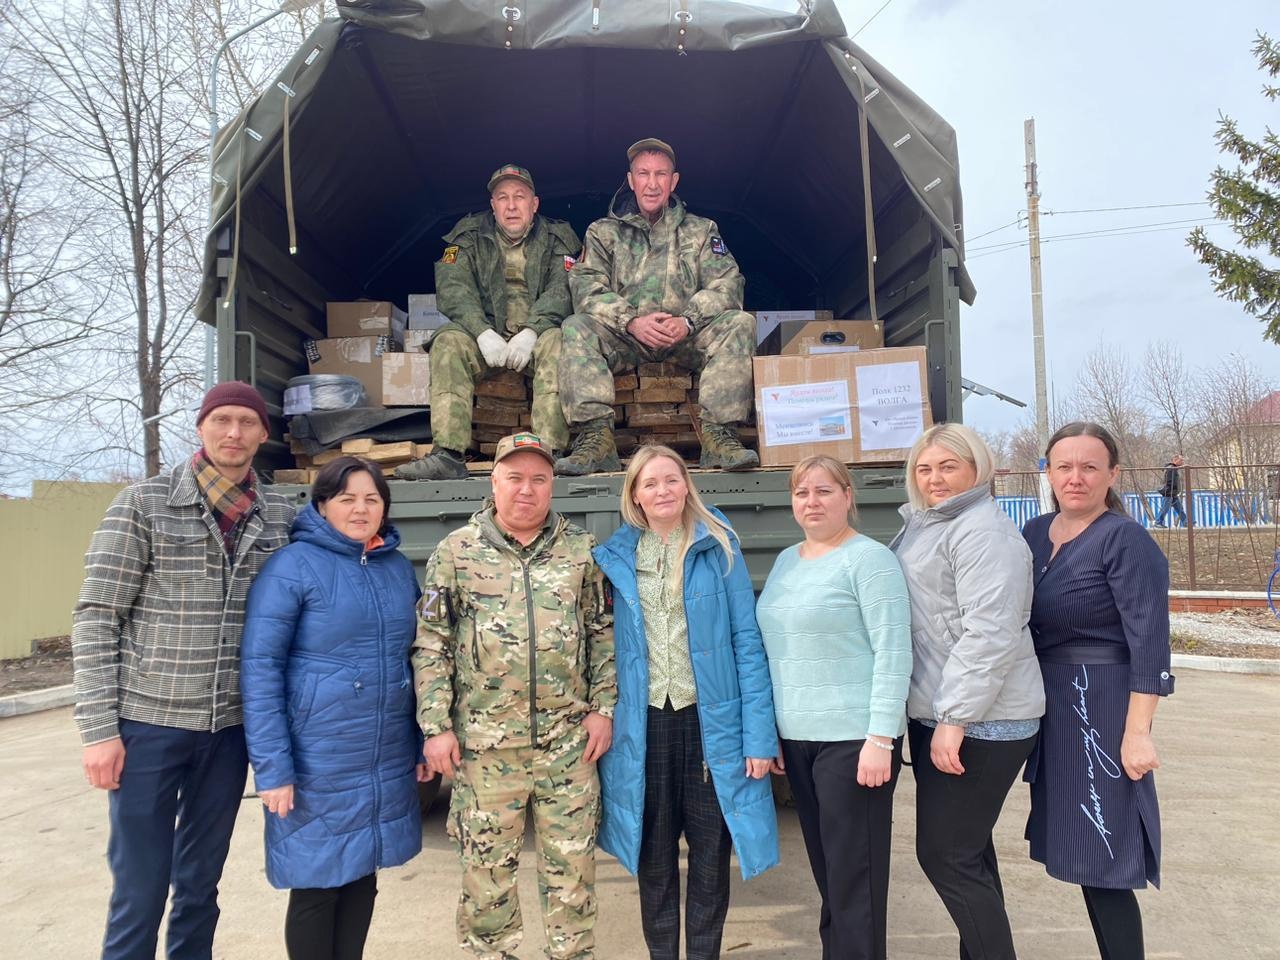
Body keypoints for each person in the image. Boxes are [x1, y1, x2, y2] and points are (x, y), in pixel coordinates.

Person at [71, 381, 296, 960]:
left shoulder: (278, 518)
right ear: (201, 427)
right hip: (148, 726)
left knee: (199, 885)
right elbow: (97, 618)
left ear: (263, 435)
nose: (233, 433)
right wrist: (99, 730)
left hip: (228, 733)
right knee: (140, 888)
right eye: (221, 420)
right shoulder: (143, 505)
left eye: (247, 423)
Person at [413, 432, 617, 960]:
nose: (527, 490)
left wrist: (603, 710)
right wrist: (435, 727)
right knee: (486, 880)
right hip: (485, 749)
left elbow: (603, 633)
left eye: (539, 479)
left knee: (572, 878)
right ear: (494, 481)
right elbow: (431, 644)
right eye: (515, 478)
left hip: (567, 747)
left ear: (551, 486)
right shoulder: (455, 553)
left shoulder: (581, 551)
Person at [593, 446, 779, 960]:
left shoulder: (718, 546)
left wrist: (759, 735)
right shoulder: (615, 557)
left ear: (686, 485)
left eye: (671, 480)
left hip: (708, 723)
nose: (662, 491)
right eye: (649, 483)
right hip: (645, 726)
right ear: (634, 494)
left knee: (709, 857)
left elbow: (746, 641)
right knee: (652, 858)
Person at [240, 456, 425, 960]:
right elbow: (261, 671)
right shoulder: (292, 568)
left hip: (381, 753)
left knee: (363, 876)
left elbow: (415, 660)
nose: (360, 509)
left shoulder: (394, 569)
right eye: (347, 498)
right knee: (317, 886)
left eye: (372, 498)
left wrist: (419, 740)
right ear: (322, 505)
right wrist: (273, 769)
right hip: (317, 759)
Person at [889, 424, 1045, 960]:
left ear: (978, 468)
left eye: (948, 466)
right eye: (925, 468)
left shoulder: (983, 532)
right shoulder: (928, 524)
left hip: (984, 720)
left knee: (946, 856)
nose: (935, 478)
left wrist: (954, 717)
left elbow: (990, 633)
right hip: (949, 711)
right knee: (968, 854)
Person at [1022, 422, 1175, 960]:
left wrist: (1137, 733)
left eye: (1090, 466)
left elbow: (1150, 646)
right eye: (1063, 466)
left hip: (1102, 705)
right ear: (1048, 472)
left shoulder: (1125, 540)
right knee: (1082, 850)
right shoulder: (1034, 533)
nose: (1075, 477)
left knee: (1106, 856)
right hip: (1052, 704)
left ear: (1114, 474)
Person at [755, 455, 912, 960]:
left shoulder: (869, 561)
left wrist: (881, 737)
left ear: (848, 496)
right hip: (799, 737)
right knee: (828, 872)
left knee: (855, 880)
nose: (812, 502)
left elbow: (894, 651)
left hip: (854, 740)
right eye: (802, 493)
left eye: (824, 491)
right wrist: (774, 731)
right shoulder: (785, 561)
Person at [556, 138, 758, 475]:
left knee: (740, 323)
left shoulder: (701, 230)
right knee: (576, 326)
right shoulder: (603, 232)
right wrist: (631, 321)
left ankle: (719, 437)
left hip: (686, 338)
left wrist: (688, 321)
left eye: (661, 174)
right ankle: (595, 438)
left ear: (673, 181)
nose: (652, 183)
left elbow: (729, 284)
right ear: (631, 180)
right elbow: (586, 287)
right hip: (628, 339)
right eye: (644, 174)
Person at [397, 165, 581, 480]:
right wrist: (481, 332)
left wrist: (533, 331)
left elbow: (563, 290)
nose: (511, 206)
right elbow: (453, 288)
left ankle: (549, 453)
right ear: (492, 205)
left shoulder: (558, 238)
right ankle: (448, 454)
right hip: (486, 340)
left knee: (559, 341)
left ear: (534, 204)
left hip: (534, 340)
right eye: (502, 198)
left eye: (519, 197)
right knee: (448, 341)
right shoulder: (466, 237)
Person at [1154, 455, 1186, 527]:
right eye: (1181, 460)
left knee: (1179, 508)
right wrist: (1172, 489)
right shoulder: (1171, 469)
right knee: (1165, 508)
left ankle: (1186, 522)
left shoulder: (1173, 468)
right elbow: (1169, 481)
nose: (1182, 462)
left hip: (1173, 492)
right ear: (1175, 460)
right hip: (1169, 492)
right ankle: (1158, 522)